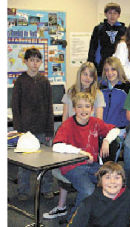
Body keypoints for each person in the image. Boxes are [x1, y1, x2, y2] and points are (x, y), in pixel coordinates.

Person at [43, 62, 106, 219]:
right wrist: (66, 135)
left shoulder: (97, 94)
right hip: (71, 145)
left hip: (88, 142)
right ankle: (66, 209)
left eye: (91, 75)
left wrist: (104, 140)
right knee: (76, 177)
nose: (87, 78)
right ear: (80, 75)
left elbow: (99, 122)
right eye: (85, 74)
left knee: (106, 180)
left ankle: (90, 212)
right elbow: (65, 119)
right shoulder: (71, 91)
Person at [51, 92, 119, 220]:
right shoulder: (68, 125)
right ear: (74, 109)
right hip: (72, 167)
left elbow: (115, 130)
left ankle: (101, 216)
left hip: (92, 165)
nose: (84, 110)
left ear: (92, 109)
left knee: (114, 182)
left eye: (87, 106)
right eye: (80, 106)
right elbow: (56, 146)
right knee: (88, 191)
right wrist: (81, 153)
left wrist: (106, 140)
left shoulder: (95, 122)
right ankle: (74, 220)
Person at [12, 47, 54, 201]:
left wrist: (50, 131)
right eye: (31, 60)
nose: (35, 64)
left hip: (43, 128)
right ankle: (23, 191)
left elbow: (49, 107)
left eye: (38, 61)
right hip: (25, 130)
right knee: (24, 163)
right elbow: (15, 107)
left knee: (46, 161)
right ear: (26, 62)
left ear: (41, 62)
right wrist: (19, 131)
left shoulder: (44, 81)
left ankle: (46, 188)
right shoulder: (20, 82)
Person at [67, 161, 130, 226]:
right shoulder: (89, 203)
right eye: (107, 177)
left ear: (123, 180)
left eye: (117, 177)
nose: (112, 181)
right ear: (100, 181)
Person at [87, 2, 126, 77]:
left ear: (119, 15)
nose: (112, 15)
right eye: (110, 13)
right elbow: (92, 48)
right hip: (101, 66)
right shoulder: (99, 29)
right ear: (105, 14)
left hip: (118, 66)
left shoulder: (124, 30)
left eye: (115, 13)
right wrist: (91, 63)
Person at [99, 56, 130, 136]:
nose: (110, 73)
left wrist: (128, 130)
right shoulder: (100, 87)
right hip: (103, 130)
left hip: (120, 131)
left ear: (119, 70)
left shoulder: (128, 87)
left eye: (113, 69)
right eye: (107, 70)